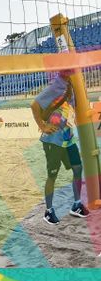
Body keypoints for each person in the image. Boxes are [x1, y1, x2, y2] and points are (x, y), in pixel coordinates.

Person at [31, 71, 90, 224]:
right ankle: (48, 211)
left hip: (68, 138)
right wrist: (42, 126)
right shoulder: (56, 86)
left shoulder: (72, 84)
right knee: (52, 175)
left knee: (77, 168)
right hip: (53, 140)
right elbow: (34, 105)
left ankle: (76, 205)